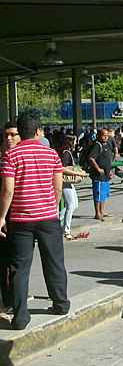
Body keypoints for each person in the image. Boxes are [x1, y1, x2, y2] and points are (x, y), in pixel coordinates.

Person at [0, 112, 70, 330]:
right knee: (54, 261)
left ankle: (20, 317)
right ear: (39, 131)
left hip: (21, 220)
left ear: (21, 131)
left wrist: (1, 216)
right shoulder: (52, 154)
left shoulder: (10, 156)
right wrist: (52, 205)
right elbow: (57, 186)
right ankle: (60, 303)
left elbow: (7, 189)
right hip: (48, 217)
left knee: (20, 267)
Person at [0, 121, 19, 313]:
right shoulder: (3, 159)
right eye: (6, 135)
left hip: (21, 219)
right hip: (4, 219)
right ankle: (9, 300)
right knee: (5, 262)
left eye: (13, 134)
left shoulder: (23, 158)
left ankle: (14, 298)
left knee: (17, 262)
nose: (9, 138)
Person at [60, 135, 87, 239]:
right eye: (75, 141)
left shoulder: (67, 152)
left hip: (68, 182)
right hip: (65, 181)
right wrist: (77, 174)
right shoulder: (66, 153)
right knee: (71, 205)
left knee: (74, 205)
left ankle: (58, 220)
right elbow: (62, 168)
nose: (76, 143)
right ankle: (66, 230)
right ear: (71, 141)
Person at [88, 129, 115, 221]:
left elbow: (108, 159)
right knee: (98, 194)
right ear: (99, 136)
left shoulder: (107, 144)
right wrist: (98, 169)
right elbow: (91, 158)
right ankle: (97, 213)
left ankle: (102, 211)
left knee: (104, 194)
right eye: (104, 135)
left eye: (107, 135)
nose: (106, 137)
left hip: (106, 175)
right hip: (98, 175)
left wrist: (110, 170)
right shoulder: (97, 145)